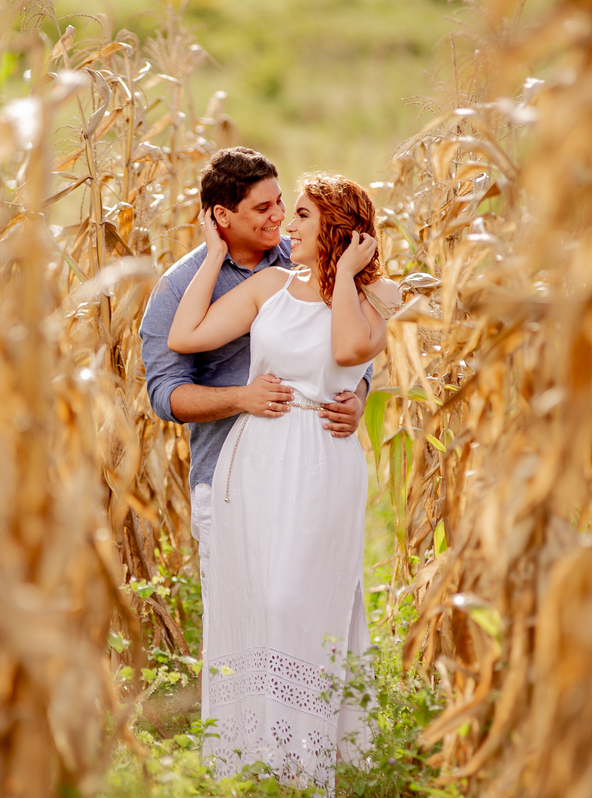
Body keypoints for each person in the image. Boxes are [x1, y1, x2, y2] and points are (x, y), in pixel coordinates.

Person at [167, 172, 401, 786]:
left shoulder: (378, 296)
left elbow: (350, 352)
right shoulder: (271, 285)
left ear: (339, 232)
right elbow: (183, 337)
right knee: (258, 599)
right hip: (257, 457)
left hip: (323, 459)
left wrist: (346, 276)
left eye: (300, 216)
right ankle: (254, 759)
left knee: (298, 600)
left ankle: (308, 759)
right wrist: (215, 252)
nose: (285, 227)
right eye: (284, 213)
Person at [138, 147, 371, 628]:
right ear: (221, 216)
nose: (281, 218)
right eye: (264, 209)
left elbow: (352, 345)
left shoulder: (309, 258)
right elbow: (166, 394)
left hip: (311, 472)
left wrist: (358, 398)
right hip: (226, 473)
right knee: (243, 616)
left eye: (283, 203)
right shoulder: (180, 287)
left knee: (313, 614)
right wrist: (241, 398)